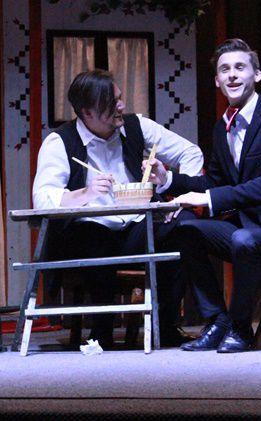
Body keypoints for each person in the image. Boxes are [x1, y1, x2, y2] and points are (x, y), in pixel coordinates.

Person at [145, 38, 261, 353]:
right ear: (217, 80)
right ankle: (217, 320)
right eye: (225, 70)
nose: (233, 75)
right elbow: (214, 181)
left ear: (257, 75)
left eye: (240, 67)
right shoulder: (222, 128)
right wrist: (168, 179)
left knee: (243, 239)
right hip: (248, 232)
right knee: (186, 229)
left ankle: (241, 328)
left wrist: (209, 200)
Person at [33, 69, 203, 348]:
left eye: (120, 98)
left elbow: (190, 152)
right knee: (93, 236)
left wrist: (174, 191)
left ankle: (166, 324)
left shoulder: (136, 127)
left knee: (182, 226)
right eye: (111, 103)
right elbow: (42, 199)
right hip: (88, 233)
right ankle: (101, 330)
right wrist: (85, 193)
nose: (121, 106)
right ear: (87, 112)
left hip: (135, 227)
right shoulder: (60, 142)